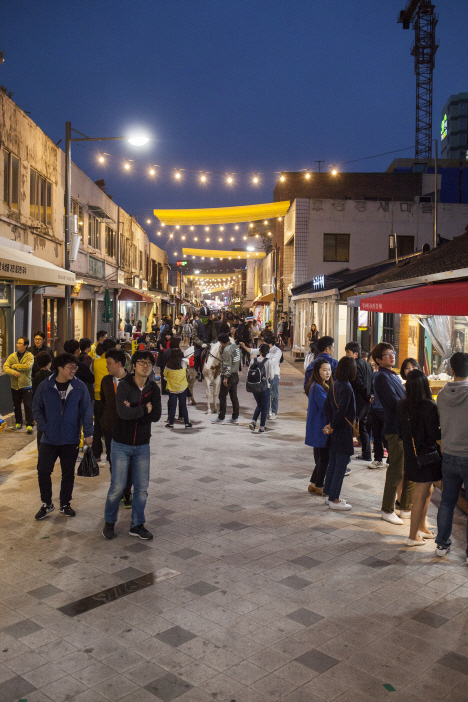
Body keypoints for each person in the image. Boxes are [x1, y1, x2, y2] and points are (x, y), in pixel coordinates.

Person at [102, 350, 161, 540]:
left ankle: (137, 524)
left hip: (143, 445)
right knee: (117, 488)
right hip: (120, 444)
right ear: (133, 365)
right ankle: (109, 522)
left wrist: (134, 410)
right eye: (142, 362)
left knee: (142, 489)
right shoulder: (124, 385)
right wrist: (144, 408)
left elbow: (157, 415)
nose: (145, 366)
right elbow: (122, 414)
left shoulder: (154, 388)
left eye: (149, 363)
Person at [32, 352, 93, 520]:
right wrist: (44, 426)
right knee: (43, 470)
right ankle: (47, 503)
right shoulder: (46, 386)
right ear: (59, 368)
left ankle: (65, 504)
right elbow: (36, 406)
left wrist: (88, 433)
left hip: (70, 437)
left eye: (75, 367)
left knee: (68, 473)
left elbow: (86, 410)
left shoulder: (79, 387)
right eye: (70, 368)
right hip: (48, 438)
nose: (74, 370)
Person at [396, 369, 441, 546]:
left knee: (427, 491)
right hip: (427, 456)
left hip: (411, 455)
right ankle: (412, 536)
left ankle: (422, 527)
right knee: (421, 494)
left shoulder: (401, 404)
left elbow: (400, 431)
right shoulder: (429, 406)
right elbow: (432, 434)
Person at [372, 342, 415, 525]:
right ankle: (387, 509)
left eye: (392, 353)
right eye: (388, 354)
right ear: (378, 360)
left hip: (403, 429)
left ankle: (405, 507)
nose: (392, 356)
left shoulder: (392, 375)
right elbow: (393, 403)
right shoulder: (381, 377)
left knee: (406, 469)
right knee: (396, 471)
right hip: (395, 429)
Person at [435, 352, 468, 559]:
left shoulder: (442, 393)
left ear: (452, 370)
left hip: (448, 453)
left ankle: (441, 545)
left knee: (447, 502)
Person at [322, 356, 357, 511]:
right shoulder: (347, 387)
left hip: (334, 430)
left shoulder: (334, 385)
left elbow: (327, 407)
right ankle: (334, 499)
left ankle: (329, 494)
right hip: (342, 430)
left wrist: (330, 424)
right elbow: (342, 410)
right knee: (340, 466)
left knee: (333, 463)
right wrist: (335, 424)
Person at [100, 348, 132, 509]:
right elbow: (103, 403)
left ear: (119, 364)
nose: (106, 366)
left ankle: (127, 491)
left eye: (109, 363)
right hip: (111, 429)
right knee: (113, 462)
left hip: (129, 429)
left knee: (129, 462)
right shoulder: (106, 381)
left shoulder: (134, 381)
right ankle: (118, 490)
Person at [305, 358, 332, 495]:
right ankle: (319, 485)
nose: (328, 373)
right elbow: (325, 407)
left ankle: (314, 483)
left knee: (322, 457)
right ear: (317, 371)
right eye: (324, 370)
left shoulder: (320, 385)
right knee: (324, 457)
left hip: (319, 427)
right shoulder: (317, 387)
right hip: (320, 427)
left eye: (329, 369)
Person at [345, 341, 372, 462]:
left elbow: (358, 383)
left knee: (350, 426)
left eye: (348, 352)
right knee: (363, 428)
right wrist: (370, 396)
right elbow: (371, 382)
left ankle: (346, 453)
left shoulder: (354, 365)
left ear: (356, 354)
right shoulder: (368, 365)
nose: (346, 355)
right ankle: (366, 454)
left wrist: (367, 396)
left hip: (358, 402)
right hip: (367, 402)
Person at [92, 338, 116, 463]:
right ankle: (110, 453)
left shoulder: (95, 362)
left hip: (97, 398)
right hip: (109, 400)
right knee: (109, 426)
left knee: (97, 427)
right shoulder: (113, 363)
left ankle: (96, 453)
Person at [4, 337, 34, 433]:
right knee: (16, 405)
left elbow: (28, 366)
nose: (18, 345)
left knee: (28, 406)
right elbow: (5, 366)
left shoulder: (29, 356)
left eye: (21, 343)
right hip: (15, 385)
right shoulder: (12, 356)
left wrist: (15, 366)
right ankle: (18, 422)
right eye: (17, 343)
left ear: (26, 345)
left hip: (26, 385)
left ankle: (29, 424)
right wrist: (13, 372)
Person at [212, 333, 241, 425]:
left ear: (221, 342)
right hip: (235, 374)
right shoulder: (235, 347)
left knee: (222, 396)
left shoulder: (227, 350)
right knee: (234, 397)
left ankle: (221, 418)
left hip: (228, 376)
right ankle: (235, 417)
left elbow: (227, 364)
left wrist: (225, 378)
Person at [242, 342, 271, 433]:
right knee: (264, 407)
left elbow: (248, 374)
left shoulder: (253, 361)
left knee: (259, 404)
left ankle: (254, 421)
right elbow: (270, 375)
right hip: (264, 386)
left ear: (259, 351)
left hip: (254, 386)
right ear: (268, 352)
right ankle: (262, 427)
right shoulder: (268, 361)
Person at [164, 348, 192, 428]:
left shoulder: (168, 365)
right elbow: (187, 371)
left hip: (172, 388)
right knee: (183, 406)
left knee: (173, 406)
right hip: (182, 388)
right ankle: (187, 423)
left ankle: (171, 423)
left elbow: (165, 376)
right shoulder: (184, 363)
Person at [369, 364, 387, 469]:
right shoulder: (374, 375)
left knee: (386, 437)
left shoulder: (391, 377)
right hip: (375, 409)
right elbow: (371, 388)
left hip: (386, 411)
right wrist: (371, 396)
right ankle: (378, 459)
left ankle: (390, 459)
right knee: (376, 436)